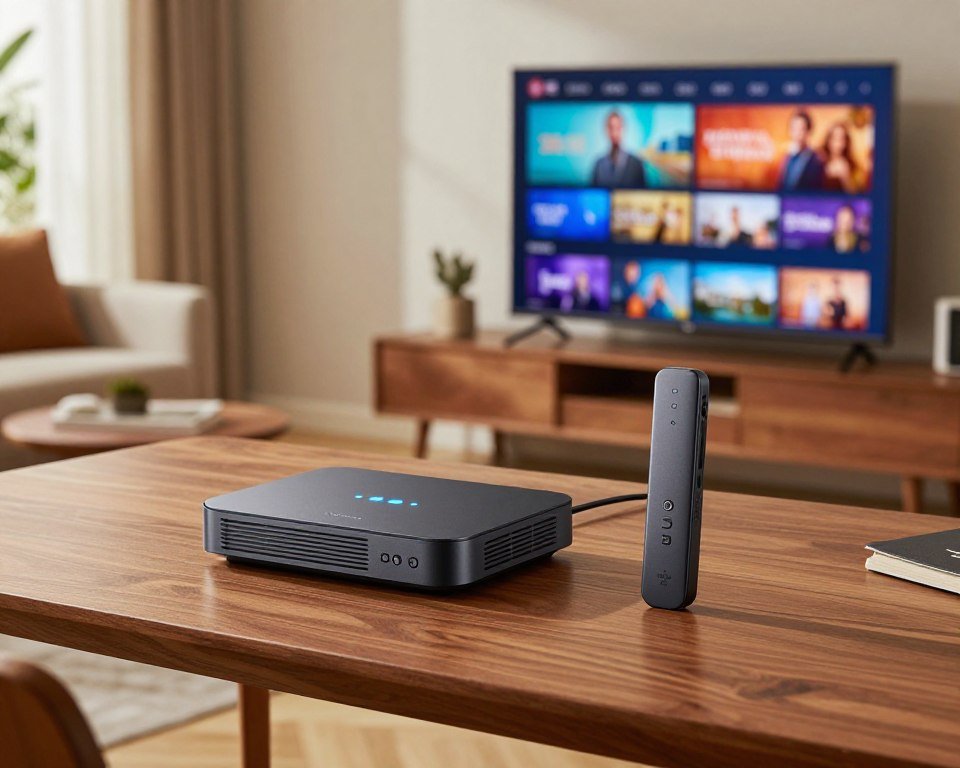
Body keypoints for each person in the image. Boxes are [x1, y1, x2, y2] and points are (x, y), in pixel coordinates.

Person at [591, 110, 647, 188]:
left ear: (624, 129)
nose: (614, 133)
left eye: (618, 128)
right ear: (606, 130)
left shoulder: (636, 163)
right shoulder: (599, 164)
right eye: (611, 128)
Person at [778, 110, 825, 191]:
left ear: (808, 131)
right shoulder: (787, 157)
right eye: (793, 128)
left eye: (801, 129)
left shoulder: (816, 159)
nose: (797, 133)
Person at [821, 123, 863, 193]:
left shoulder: (853, 166)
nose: (837, 143)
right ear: (828, 140)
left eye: (841, 139)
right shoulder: (819, 160)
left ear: (846, 142)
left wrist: (845, 177)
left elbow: (856, 193)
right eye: (834, 138)